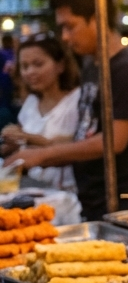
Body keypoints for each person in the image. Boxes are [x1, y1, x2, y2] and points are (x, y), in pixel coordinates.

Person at [5, 0, 128, 219]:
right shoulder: (90, 65)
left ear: (96, 19)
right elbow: (85, 134)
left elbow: (113, 141)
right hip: (91, 199)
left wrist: (45, 156)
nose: (65, 37)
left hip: (126, 203)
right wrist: (32, 145)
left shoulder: (127, 70)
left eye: (70, 27)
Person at [1, 36, 81, 192]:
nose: (30, 72)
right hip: (35, 189)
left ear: (60, 65)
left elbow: (76, 144)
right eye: (24, 66)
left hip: (71, 194)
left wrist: (26, 137)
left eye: (38, 64)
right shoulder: (30, 103)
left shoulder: (77, 100)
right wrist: (11, 143)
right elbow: (22, 148)